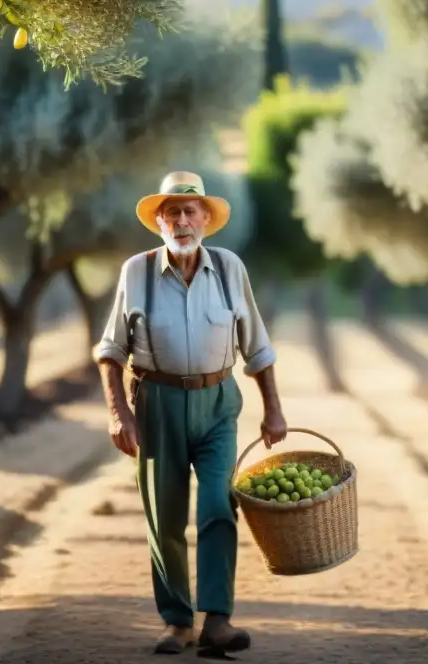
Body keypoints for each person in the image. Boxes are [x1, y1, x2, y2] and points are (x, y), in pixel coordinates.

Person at [93, 170, 288, 656]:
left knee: (219, 507)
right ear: (159, 221)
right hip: (157, 402)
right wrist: (119, 414)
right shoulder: (136, 272)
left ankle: (217, 621)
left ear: (205, 218)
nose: (182, 220)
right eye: (172, 212)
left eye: (190, 211)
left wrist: (273, 411)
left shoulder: (228, 269)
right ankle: (178, 622)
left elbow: (257, 348)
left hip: (219, 401)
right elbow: (111, 352)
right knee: (165, 516)